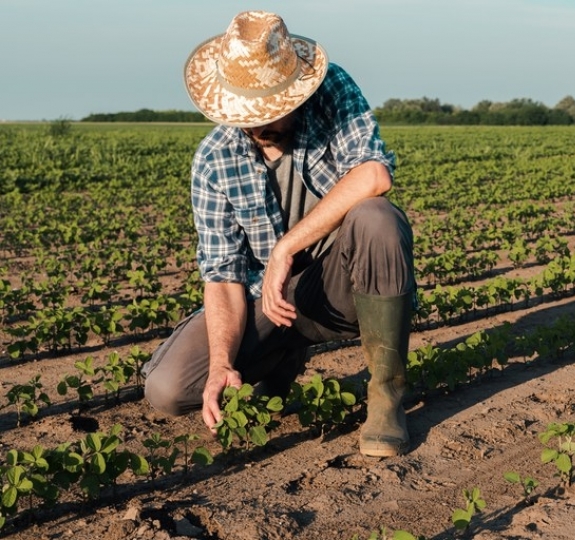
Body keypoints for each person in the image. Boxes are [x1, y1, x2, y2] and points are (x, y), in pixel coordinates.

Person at [142, 10, 416, 457]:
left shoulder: (331, 94)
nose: (256, 125)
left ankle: (387, 399)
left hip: (336, 290)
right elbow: (223, 277)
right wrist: (220, 365)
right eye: (246, 114)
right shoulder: (213, 160)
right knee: (169, 388)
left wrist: (286, 247)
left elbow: (373, 175)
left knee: (378, 218)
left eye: (267, 111)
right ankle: (279, 359)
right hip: (263, 303)